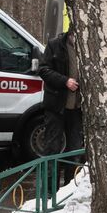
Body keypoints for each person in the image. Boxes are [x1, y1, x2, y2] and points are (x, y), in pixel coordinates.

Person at [38, 27, 83, 184]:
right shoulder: (55, 45)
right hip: (56, 107)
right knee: (52, 149)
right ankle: (50, 191)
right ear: (71, 34)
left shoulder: (87, 47)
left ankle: (71, 187)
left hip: (77, 109)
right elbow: (43, 69)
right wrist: (65, 81)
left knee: (75, 150)